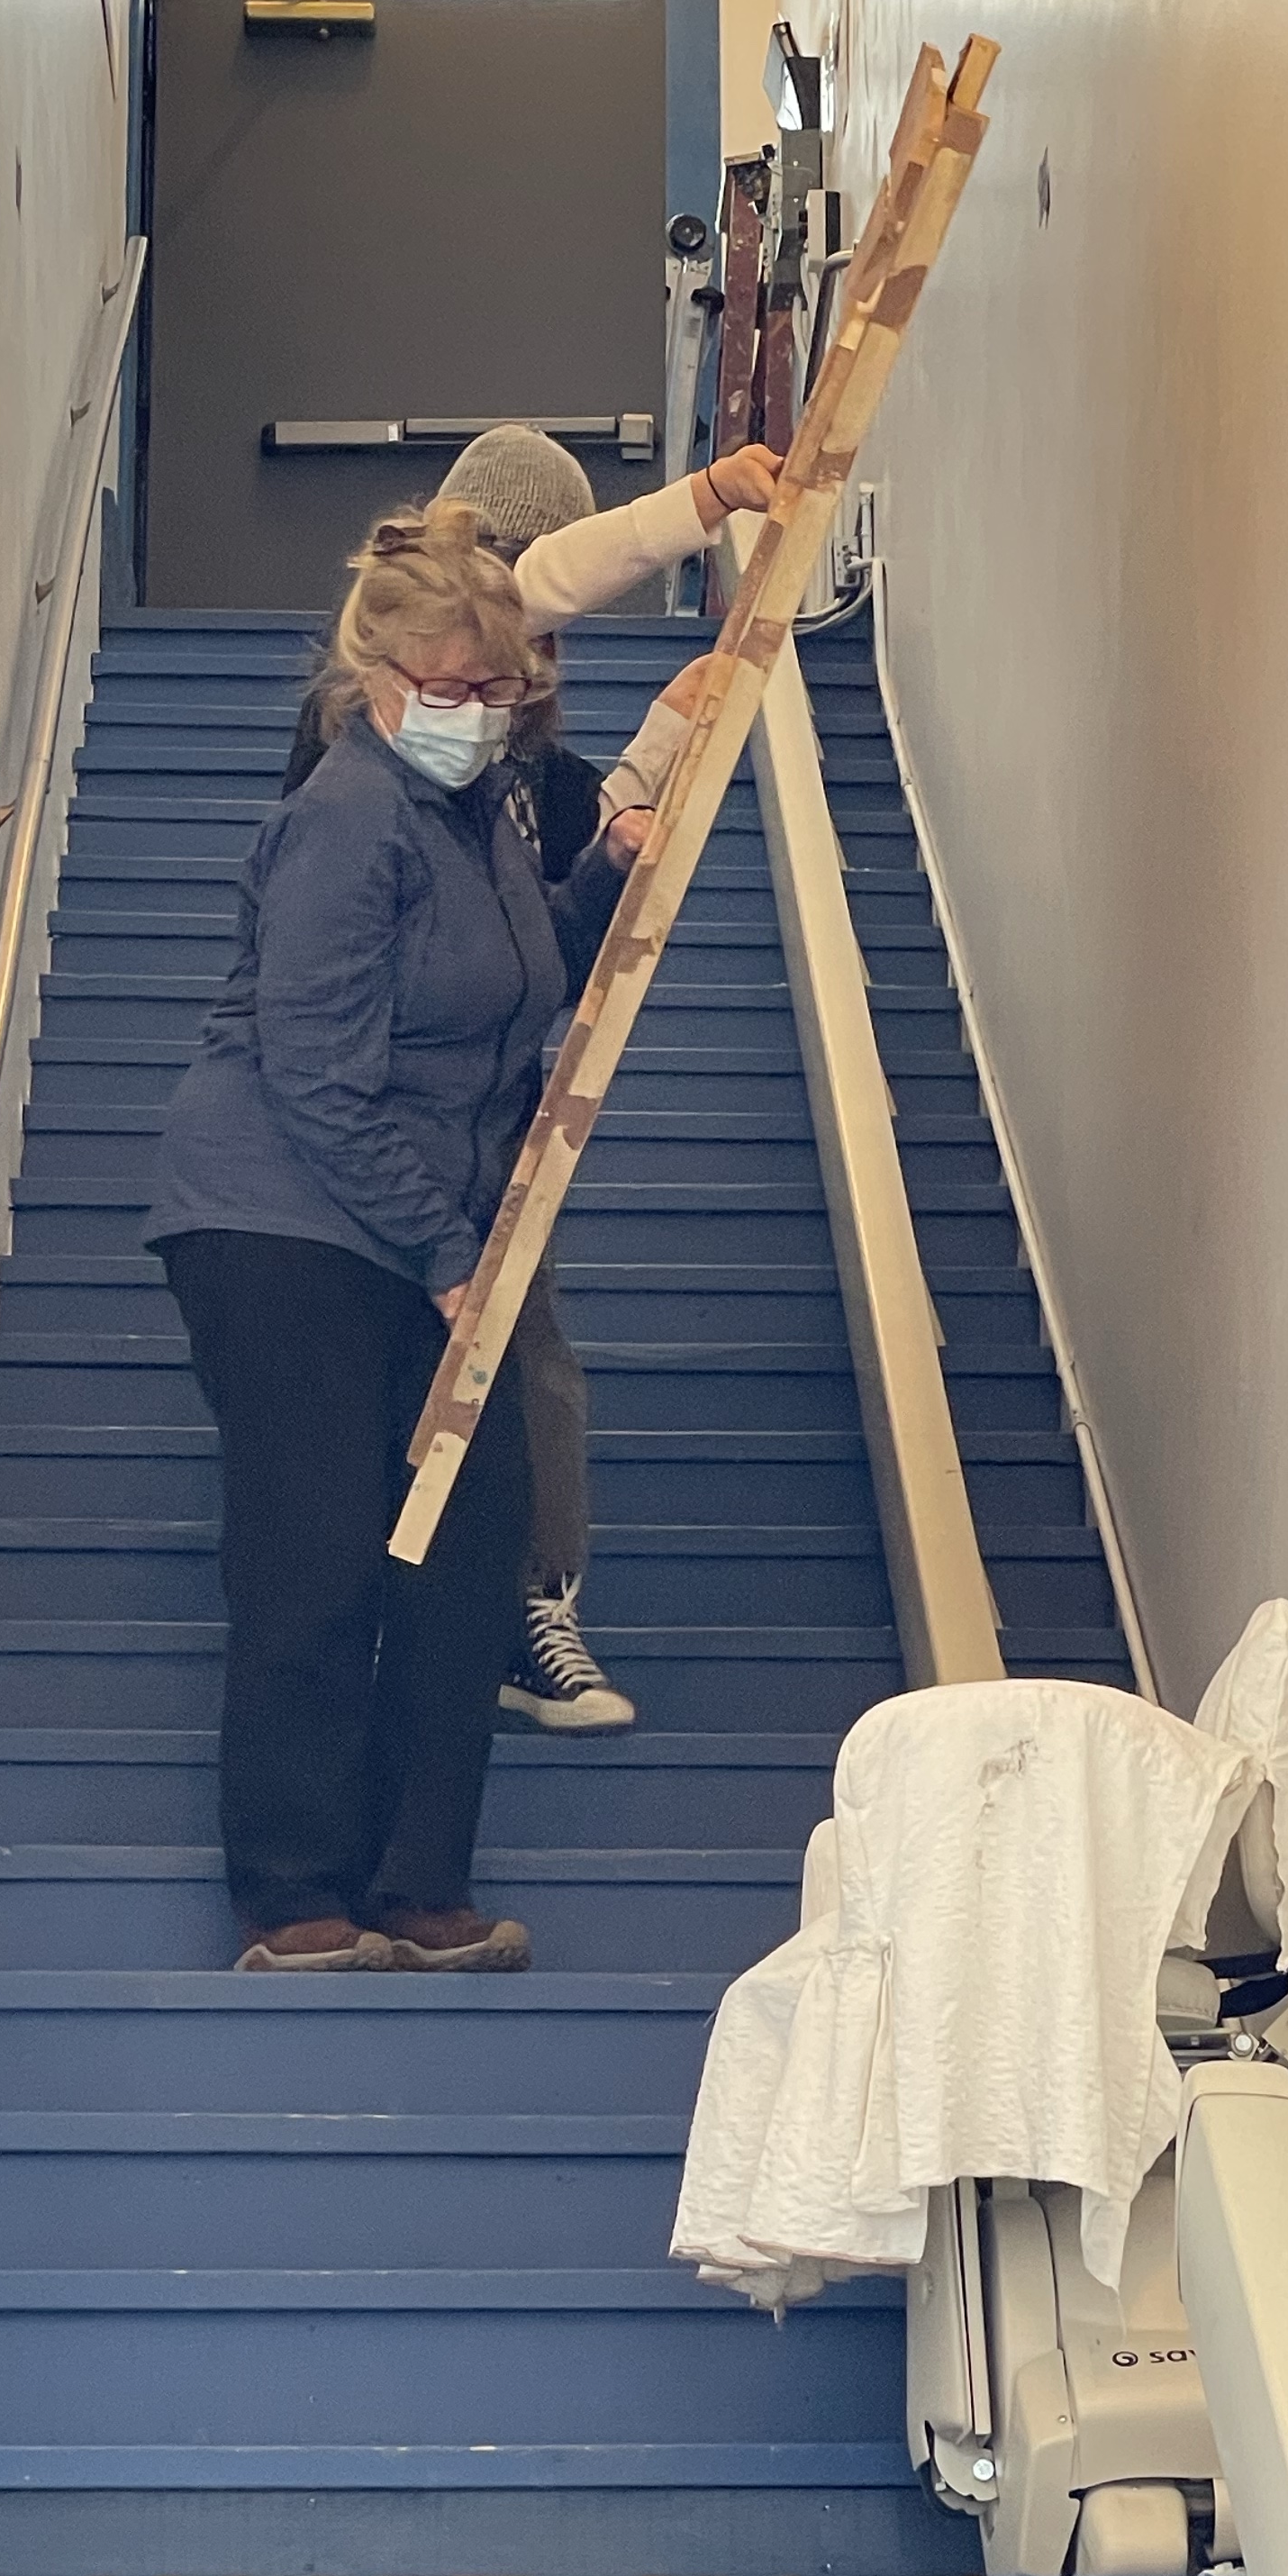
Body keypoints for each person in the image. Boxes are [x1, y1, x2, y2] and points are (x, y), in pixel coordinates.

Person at [142, 503, 645, 1973]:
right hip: (281, 1222)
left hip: (420, 1219)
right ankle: (295, 1896)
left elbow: (514, 980)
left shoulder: (479, 817)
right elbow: (315, 1073)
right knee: (314, 1552)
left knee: (471, 1543)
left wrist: (605, 874)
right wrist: (449, 1256)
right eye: (449, 687)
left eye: (498, 692)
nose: (476, 714)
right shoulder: (347, 818)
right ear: (373, 681)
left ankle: (419, 1884)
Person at [273, 427, 779, 1735]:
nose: (509, 646)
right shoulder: (357, 721)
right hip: (353, 1124)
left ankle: (525, 1609)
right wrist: (698, 501)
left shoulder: (528, 764)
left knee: (526, 1351)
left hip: (482, 1122)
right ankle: (377, 1617)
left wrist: (656, 760)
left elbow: (564, 898)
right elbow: (532, 582)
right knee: (364, 1365)